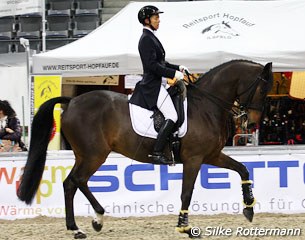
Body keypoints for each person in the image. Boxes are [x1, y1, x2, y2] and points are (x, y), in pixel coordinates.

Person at [129, 5, 189, 164]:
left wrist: (177, 68)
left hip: (159, 84)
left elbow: (161, 62)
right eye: (156, 17)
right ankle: (156, 152)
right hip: (152, 87)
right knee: (173, 116)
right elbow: (152, 66)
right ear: (147, 20)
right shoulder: (146, 39)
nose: (159, 20)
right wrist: (173, 74)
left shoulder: (151, 37)